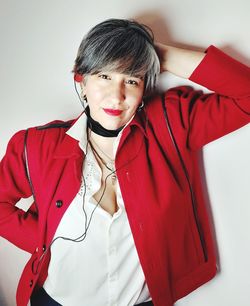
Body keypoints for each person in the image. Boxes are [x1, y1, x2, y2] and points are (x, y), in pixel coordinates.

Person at [0, 18, 249, 306]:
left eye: (131, 80)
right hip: (55, 300)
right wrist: (46, 243)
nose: (116, 96)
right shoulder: (35, 146)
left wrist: (154, 55)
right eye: (104, 76)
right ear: (81, 81)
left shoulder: (171, 124)